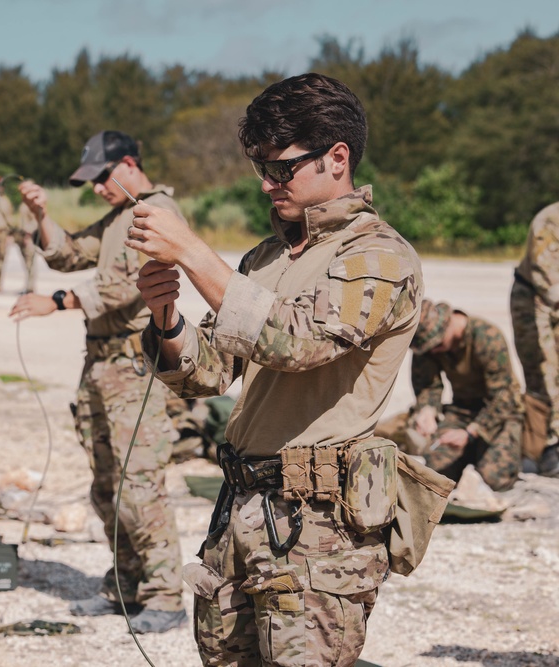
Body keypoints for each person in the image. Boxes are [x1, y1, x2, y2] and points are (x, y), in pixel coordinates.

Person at [128, 73, 424, 665]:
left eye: (281, 167)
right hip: (241, 510)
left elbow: (300, 341)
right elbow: (209, 374)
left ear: (337, 157)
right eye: (259, 167)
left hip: (317, 527)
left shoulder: (378, 256)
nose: (267, 184)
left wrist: (191, 251)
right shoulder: (264, 259)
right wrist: (166, 318)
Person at [10, 130, 186, 634]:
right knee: (107, 485)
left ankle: (164, 593)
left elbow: (124, 283)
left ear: (128, 164)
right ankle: (125, 586)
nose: (96, 189)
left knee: (139, 485)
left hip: (134, 367)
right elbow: (67, 253)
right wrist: (42, 214)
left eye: (101, 178)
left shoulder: (156, 212)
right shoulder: (117, 217)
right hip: (101, 363)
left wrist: (56, 302)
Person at [376, 299, 523, 491]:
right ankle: (471, 453)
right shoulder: (429, 343)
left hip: (500, 415)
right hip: (463, 411)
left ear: (448, 325)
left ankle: (487, 451)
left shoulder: (486, 337)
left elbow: (503, 397)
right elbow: (427, 385)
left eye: (436, 346)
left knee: (494, 477)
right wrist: (427, 411)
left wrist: (470, 433)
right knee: (435, 474)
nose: (434, 352)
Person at [510, 201, 559, 477]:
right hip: (535, 301)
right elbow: (546, 276)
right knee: (543, 371)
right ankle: (545, 447)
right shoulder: (550, 219)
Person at [14, 201, 38, 293]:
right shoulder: (24, 204)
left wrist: (28, 234)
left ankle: (30, 288)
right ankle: (28, 286)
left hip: (29, 238)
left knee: (30, 263)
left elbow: (36, 221)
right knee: (26, 264)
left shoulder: (33, 205)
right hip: (21, 236)